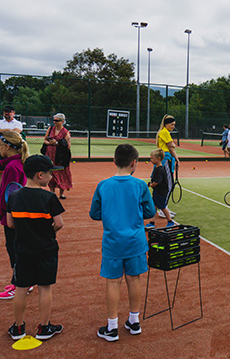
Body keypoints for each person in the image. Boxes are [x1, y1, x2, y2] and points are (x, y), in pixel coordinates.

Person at [89, 144, 156, 342]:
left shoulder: (103, 185)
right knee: (134, 279)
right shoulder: (140, 185)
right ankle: (134, 321)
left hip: (113, 242)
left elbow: (94, 213)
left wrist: (111, 215)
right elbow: (150, 212)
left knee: (113, 281)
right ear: (134, 163)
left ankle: (112, 327)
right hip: (135, 241)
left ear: (114, 161)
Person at [6, 155, 65, 341]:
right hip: (46, 249)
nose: (52, 177)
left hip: (22, 250)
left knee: (21, 288)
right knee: (45, 287)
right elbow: (59, 223)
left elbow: (10, 223)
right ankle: (44, 327)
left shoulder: (14, 196)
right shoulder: (49, 197)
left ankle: (17, 327)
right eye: (50, 174)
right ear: (40, 175)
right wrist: (49, 231)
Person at [0, 131, 30, 300]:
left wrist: (1, 212)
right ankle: (21, 281)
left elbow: (9, 196)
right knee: (17, 248)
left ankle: (19, 284)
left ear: (7, 147)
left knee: (14, 249)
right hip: (19, 215)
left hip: (14, 216)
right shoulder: (18, 164)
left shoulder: (12, 167)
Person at [0, 105, 23, 200]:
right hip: (0, 150)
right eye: (5, 112)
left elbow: (16, 132)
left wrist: (1, 131)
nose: (6, 113)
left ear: (13, 113)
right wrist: (8, 130)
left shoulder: (18, 123)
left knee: (13, 171)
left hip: (12, 151)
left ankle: (14, 192)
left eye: (9, 112)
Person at [42, 113, 72, 199]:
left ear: (62, 121)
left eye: (57, 120)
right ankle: (52, 192)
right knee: (51, 173)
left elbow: (68, 146)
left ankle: (62, 193)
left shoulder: (65, 132)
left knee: (61, 173)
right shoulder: (50, 129)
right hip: (50, 155)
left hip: (60, 157)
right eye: (54, 120)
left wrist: (57, 143)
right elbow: (45, 140)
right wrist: (50, 143)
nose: (54, 122)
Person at [145, 149, 176, 229]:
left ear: (158, 158)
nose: (150, 160)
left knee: (162, 207)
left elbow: (157, 182)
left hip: (161, 192)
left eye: (152, 158)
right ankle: (152, 222)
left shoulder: (159, 170)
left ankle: (170, 222)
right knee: (154, 207)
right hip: (157, 191)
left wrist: (151, 185)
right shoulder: (157, 168)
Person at [155, 115, 178, 218]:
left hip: (167, 160)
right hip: (166, 160)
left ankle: (164, 208)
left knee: (165, 185)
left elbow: (172, 145)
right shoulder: (164, 132)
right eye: (172, 124)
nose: (173, 126)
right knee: (168, 185)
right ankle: (162, 209)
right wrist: (177, 159)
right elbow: (171, 146)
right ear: (166, 124)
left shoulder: (165, 132)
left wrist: (172, 145)